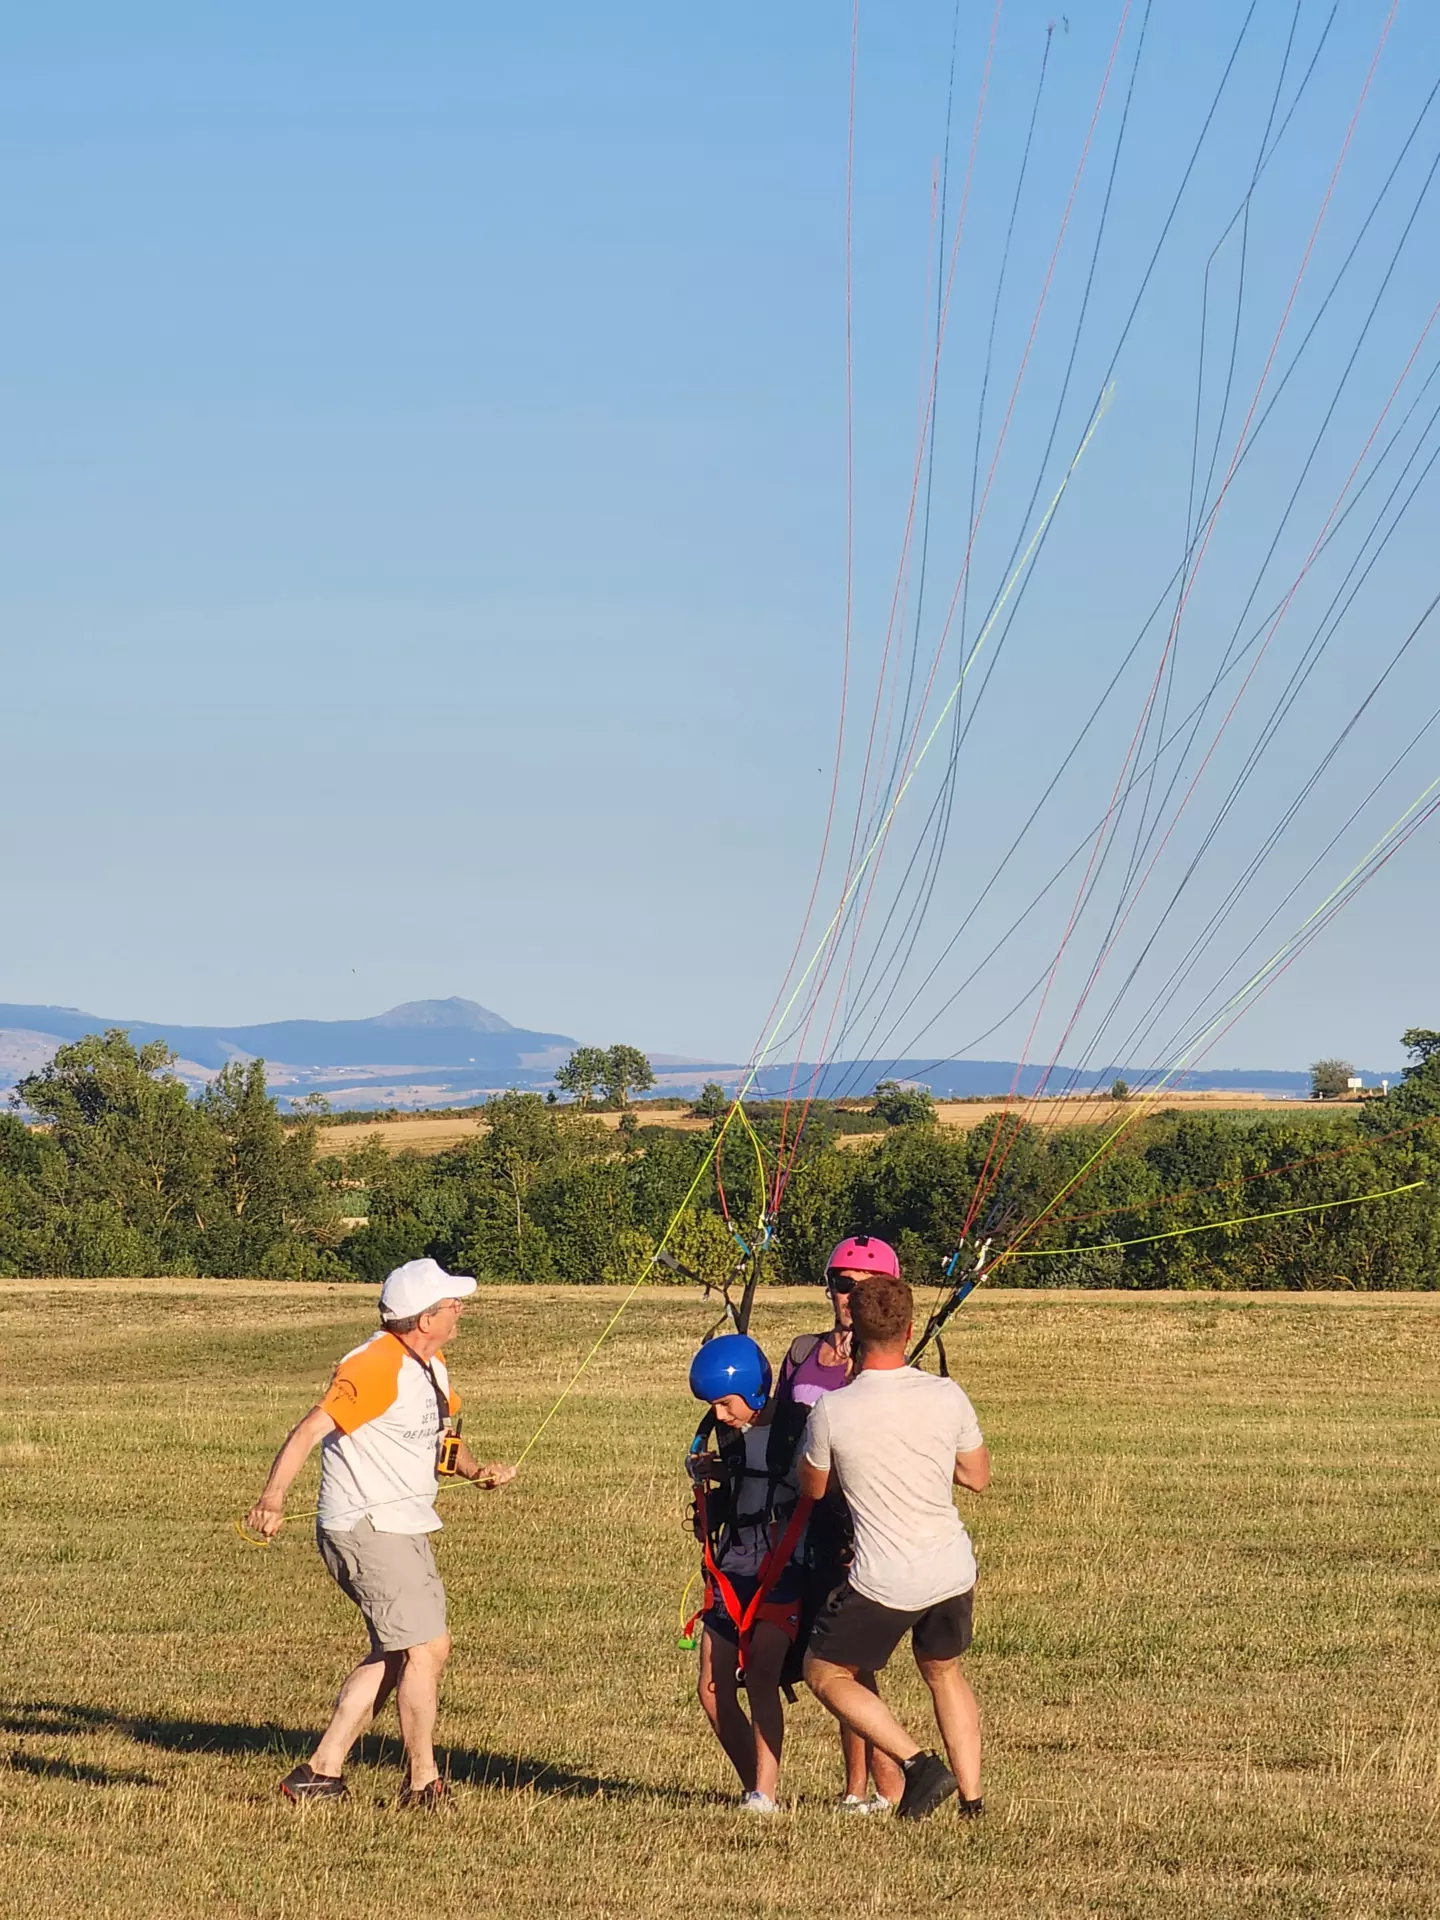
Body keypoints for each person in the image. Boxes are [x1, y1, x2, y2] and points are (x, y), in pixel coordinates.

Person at [244, 1256, 516, 1807]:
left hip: (404, 1527)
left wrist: (475, 1471)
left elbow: (440, 1441)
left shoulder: (431, 1365)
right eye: (453, 1305)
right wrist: (272, 1498)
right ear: (425, 1319)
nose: (461, 1311)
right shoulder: (373, 1365)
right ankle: (422, 1781)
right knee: (427, 1647)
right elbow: (309, 1429)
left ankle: (320, 1772)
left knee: (396, 1652)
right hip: (365, 1527)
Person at [799, 1269, 990, 1823]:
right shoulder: (947, 1394)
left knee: (824, 1672)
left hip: (885, 1578)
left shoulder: (832, 1409)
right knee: (943, 1671)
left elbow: (813, 1488)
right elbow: (976, 1477)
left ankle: (917, 1765)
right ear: (909, 1331)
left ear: (852, 1332)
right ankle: (973, 1802)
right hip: (951, 1567)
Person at [766, 1235, 906, 1815]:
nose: (850, 1297)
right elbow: (775, 1430)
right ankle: (860, 1787)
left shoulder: (886, 1365)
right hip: (797, 1522)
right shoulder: (803, 1351)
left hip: (855, 1528)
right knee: (817, 1658)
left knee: (848, 1664)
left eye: (865, 1288)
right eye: (842, 1284)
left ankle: (882, 1786)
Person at [686, 1333, 803, 1814]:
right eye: (711, 1405)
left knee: (760, 1674)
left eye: (725, 1403)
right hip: (733, 1568)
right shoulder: (729, 1436)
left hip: (784, 1569)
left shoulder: (798, 1429)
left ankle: (764, 1794)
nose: (718, 1415)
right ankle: (754, 1782)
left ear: (755, 1391)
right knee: (711, 1690)